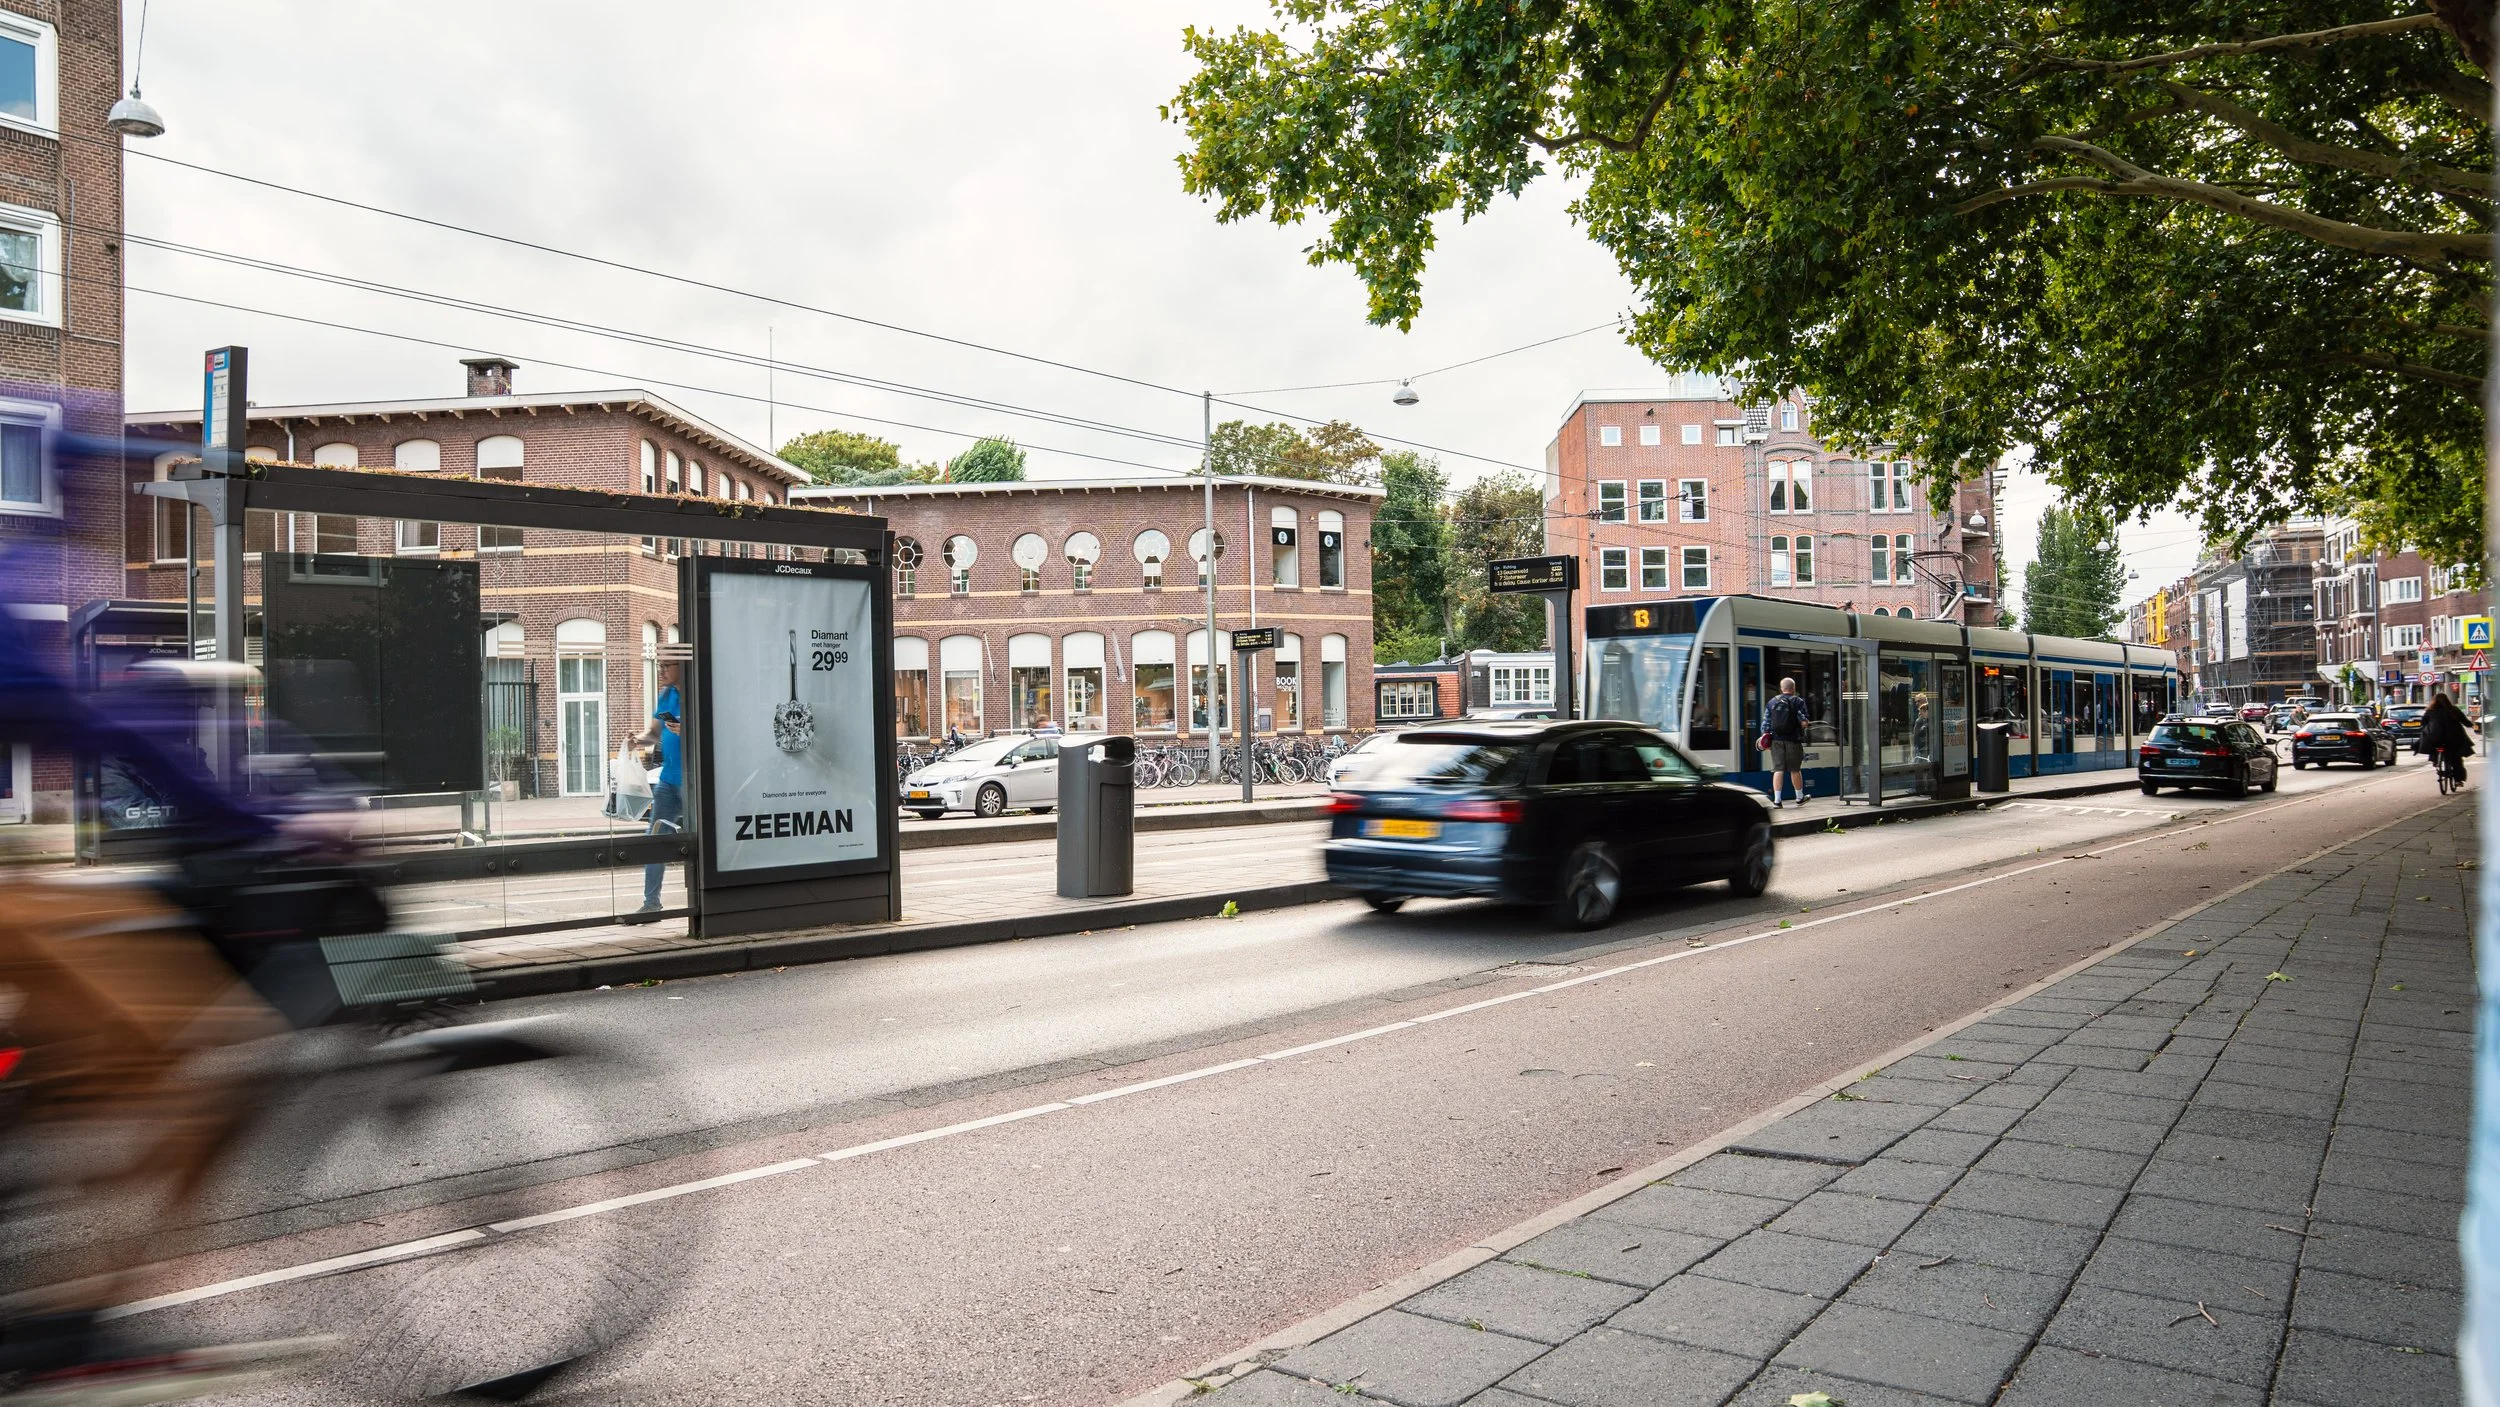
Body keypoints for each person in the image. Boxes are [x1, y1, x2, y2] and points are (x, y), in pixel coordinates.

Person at [627, 661, 683, 920]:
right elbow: (653, 733)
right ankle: (651, 904)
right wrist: (637, 740)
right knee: (654, 839)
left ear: (682, 666)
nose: (661, 671)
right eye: (659, 666)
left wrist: (688, 729)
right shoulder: (666, 695)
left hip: (694, 782)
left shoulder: (696, 692)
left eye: (666, 666)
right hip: (668, 781)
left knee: (701, 840)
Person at [1758, 676, 1811, 808]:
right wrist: (1803, 723)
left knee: (1778, 770)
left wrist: (1766, 741)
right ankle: (1799, 797)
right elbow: (1804, 722)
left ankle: (1777, 801)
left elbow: (1765, 725)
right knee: (1795, 770)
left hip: (1776, 740)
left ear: (1782, 688)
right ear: (1794, 688)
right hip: (1793, 740)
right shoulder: (1798, 701)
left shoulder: (1772, 702)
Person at [2417, 691, 2474, 790]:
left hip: (2435, 738)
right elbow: (2465, 722)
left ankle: (2435, 760)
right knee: (2456, 758)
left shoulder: (2430, 711)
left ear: (2434, 701)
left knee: (2433, 745)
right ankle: (2458, 780)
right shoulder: (2453, 710)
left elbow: (2423, 723)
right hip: (2453, 738)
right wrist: (2470, 724)